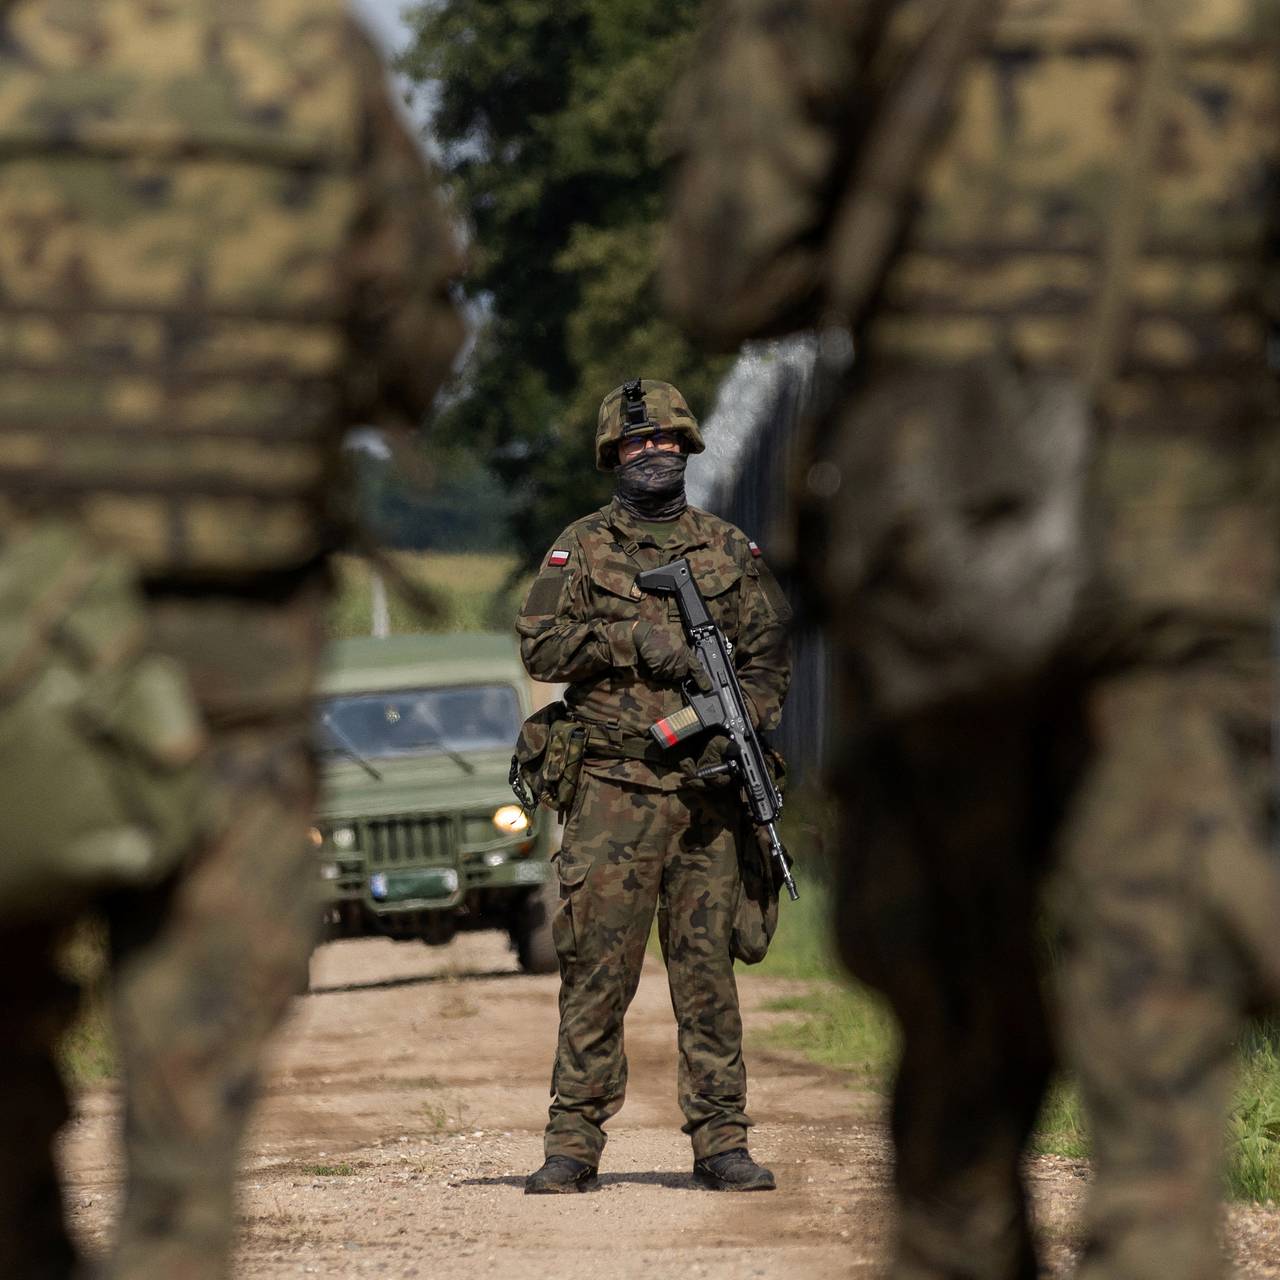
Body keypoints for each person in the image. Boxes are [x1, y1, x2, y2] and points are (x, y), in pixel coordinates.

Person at [662, 2, 1280, 1276]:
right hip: (1192, 529)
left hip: (945, 518)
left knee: (953, 1002)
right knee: (1160, 971)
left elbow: (729, 270)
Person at [0, 2, 465, 1276]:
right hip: (230, 662)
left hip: (12, 644)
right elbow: (417, 348)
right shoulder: (312, 57)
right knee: (190, 1106)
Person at [516, 379, 792, 1193]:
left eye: (667, 441)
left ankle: (721, 1139)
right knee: (596, 968)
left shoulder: (729, 551)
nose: (653, 454)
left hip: (707, 797)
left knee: (707, 972)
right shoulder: (579, 548)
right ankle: (572, 1143)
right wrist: (632, 637)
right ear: (613, 456)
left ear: (688, 449)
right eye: (637, 444)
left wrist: (737, 717)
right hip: (610, 789)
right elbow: (541, 648)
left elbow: (771, 654)